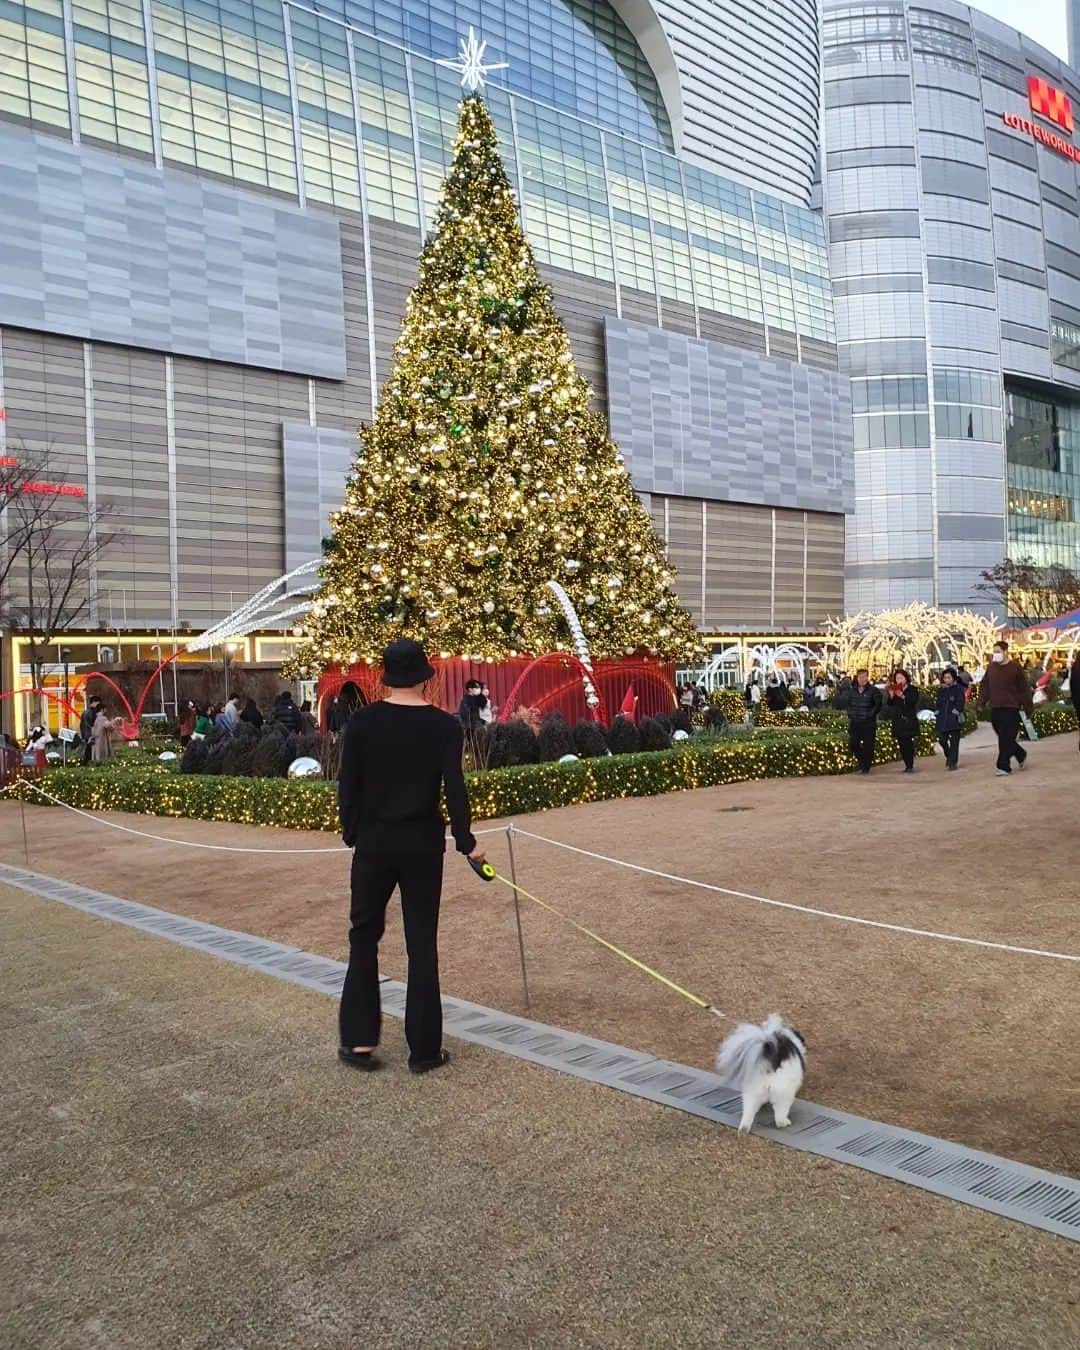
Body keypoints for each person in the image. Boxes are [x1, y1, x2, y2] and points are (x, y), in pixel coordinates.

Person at [337, 638, 483, 1075]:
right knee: (422, 943)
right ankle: (423, 1049)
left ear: (385, 676)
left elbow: (349, 785)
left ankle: (360, 1042)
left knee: (363, 934)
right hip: (422, 843)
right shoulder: (445, 727)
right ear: (425, 677)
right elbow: (453, 788)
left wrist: (351, 831)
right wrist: (465, 839)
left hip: (375, 842)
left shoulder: (362, 722)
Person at [978, 639, 1033, 777]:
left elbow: (1024, 688)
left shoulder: (1015, 667)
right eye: (994, 652)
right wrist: (981, 702)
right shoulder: (991, 668)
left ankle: (1003, 766)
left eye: (998, 652)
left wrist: (1028, 706)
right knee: (1003, 735)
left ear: (1005, 652)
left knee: (1005, 738)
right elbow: (985, 685)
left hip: (1011, 707)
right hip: (996, 707)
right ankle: (1020, 753)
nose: (995, 654)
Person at [837, 668, 882, 774]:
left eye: (864, 676)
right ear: (857, 678)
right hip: (855, 722)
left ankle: (866, 767)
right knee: (853, 743)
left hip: (868, 722)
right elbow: (848, 704)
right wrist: (850, 713)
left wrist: (870, 714)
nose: (862, 679)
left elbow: (878, 705)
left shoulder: (873, 690)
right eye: (860, 677)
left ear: (867, 677)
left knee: (868, 745)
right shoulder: (852, 691)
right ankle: (862, 761)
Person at [885, 668, 920, 773]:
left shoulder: (912, 689)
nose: (899, 680)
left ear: (906, 678)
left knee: (908, 741)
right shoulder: (895, 689)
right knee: (901, 743)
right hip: (898, 720)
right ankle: (907, 763)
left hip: (908, 719)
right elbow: (890, 704)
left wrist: (903, 696)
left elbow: (913, 702)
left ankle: (910, 764)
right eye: (897, 678)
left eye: (901, 677)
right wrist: (891, 696)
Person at [936, 667, 966, 771]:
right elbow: (938, 703)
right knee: (942, 740)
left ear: (953, 678)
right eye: (945, 678)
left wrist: (956, 711)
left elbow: (961, 701)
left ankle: (953, 762)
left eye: (949, 677)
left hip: (954, 719)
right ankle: (948, 755)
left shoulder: (958, 689)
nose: (947, 679)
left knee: (954, 742)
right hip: (943, 719)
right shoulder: (941, 690)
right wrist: (937, 712)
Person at [80, 696, 102, 764]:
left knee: (89, 750)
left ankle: (86, 763)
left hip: (87, 734)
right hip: (90, 734)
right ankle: (87, 763)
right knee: (90, 751)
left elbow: (82, 725)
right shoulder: (91, 712)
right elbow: (91, 724)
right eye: (98, 703)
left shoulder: (86, 712)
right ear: (94, 702)